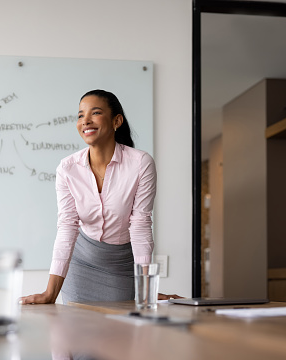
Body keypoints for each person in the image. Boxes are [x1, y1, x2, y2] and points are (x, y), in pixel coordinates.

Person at [21, 89, 179, 305]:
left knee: (122, 335)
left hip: (123, 266)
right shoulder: (67, 168)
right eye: (80, 115)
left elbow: (141, 225)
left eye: (95, 113)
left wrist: (146, 289)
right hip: (82, 265)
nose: (85, 121)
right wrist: (50, 293)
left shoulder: (141, 164)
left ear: (117, 121)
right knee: (77, 333)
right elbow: (68, 226)